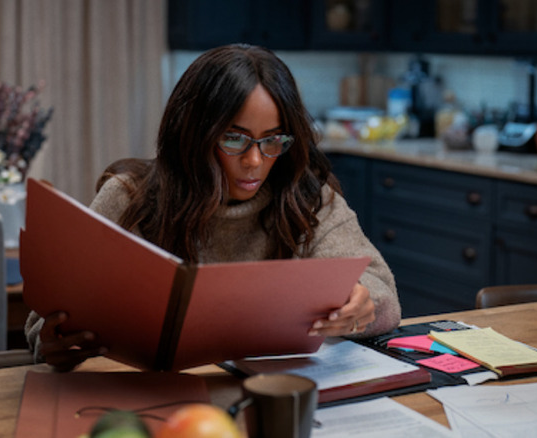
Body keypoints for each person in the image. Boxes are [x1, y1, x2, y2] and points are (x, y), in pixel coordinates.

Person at [25, 44, 401, 371]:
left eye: (272, 141)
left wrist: (360, 305)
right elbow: (44, 322)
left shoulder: (305, 198)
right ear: (193, 133)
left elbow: (382, 290)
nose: (255, 160)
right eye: (234, 139)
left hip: (265, 398)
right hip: (144, 400)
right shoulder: (130, 198)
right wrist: (54, 342)